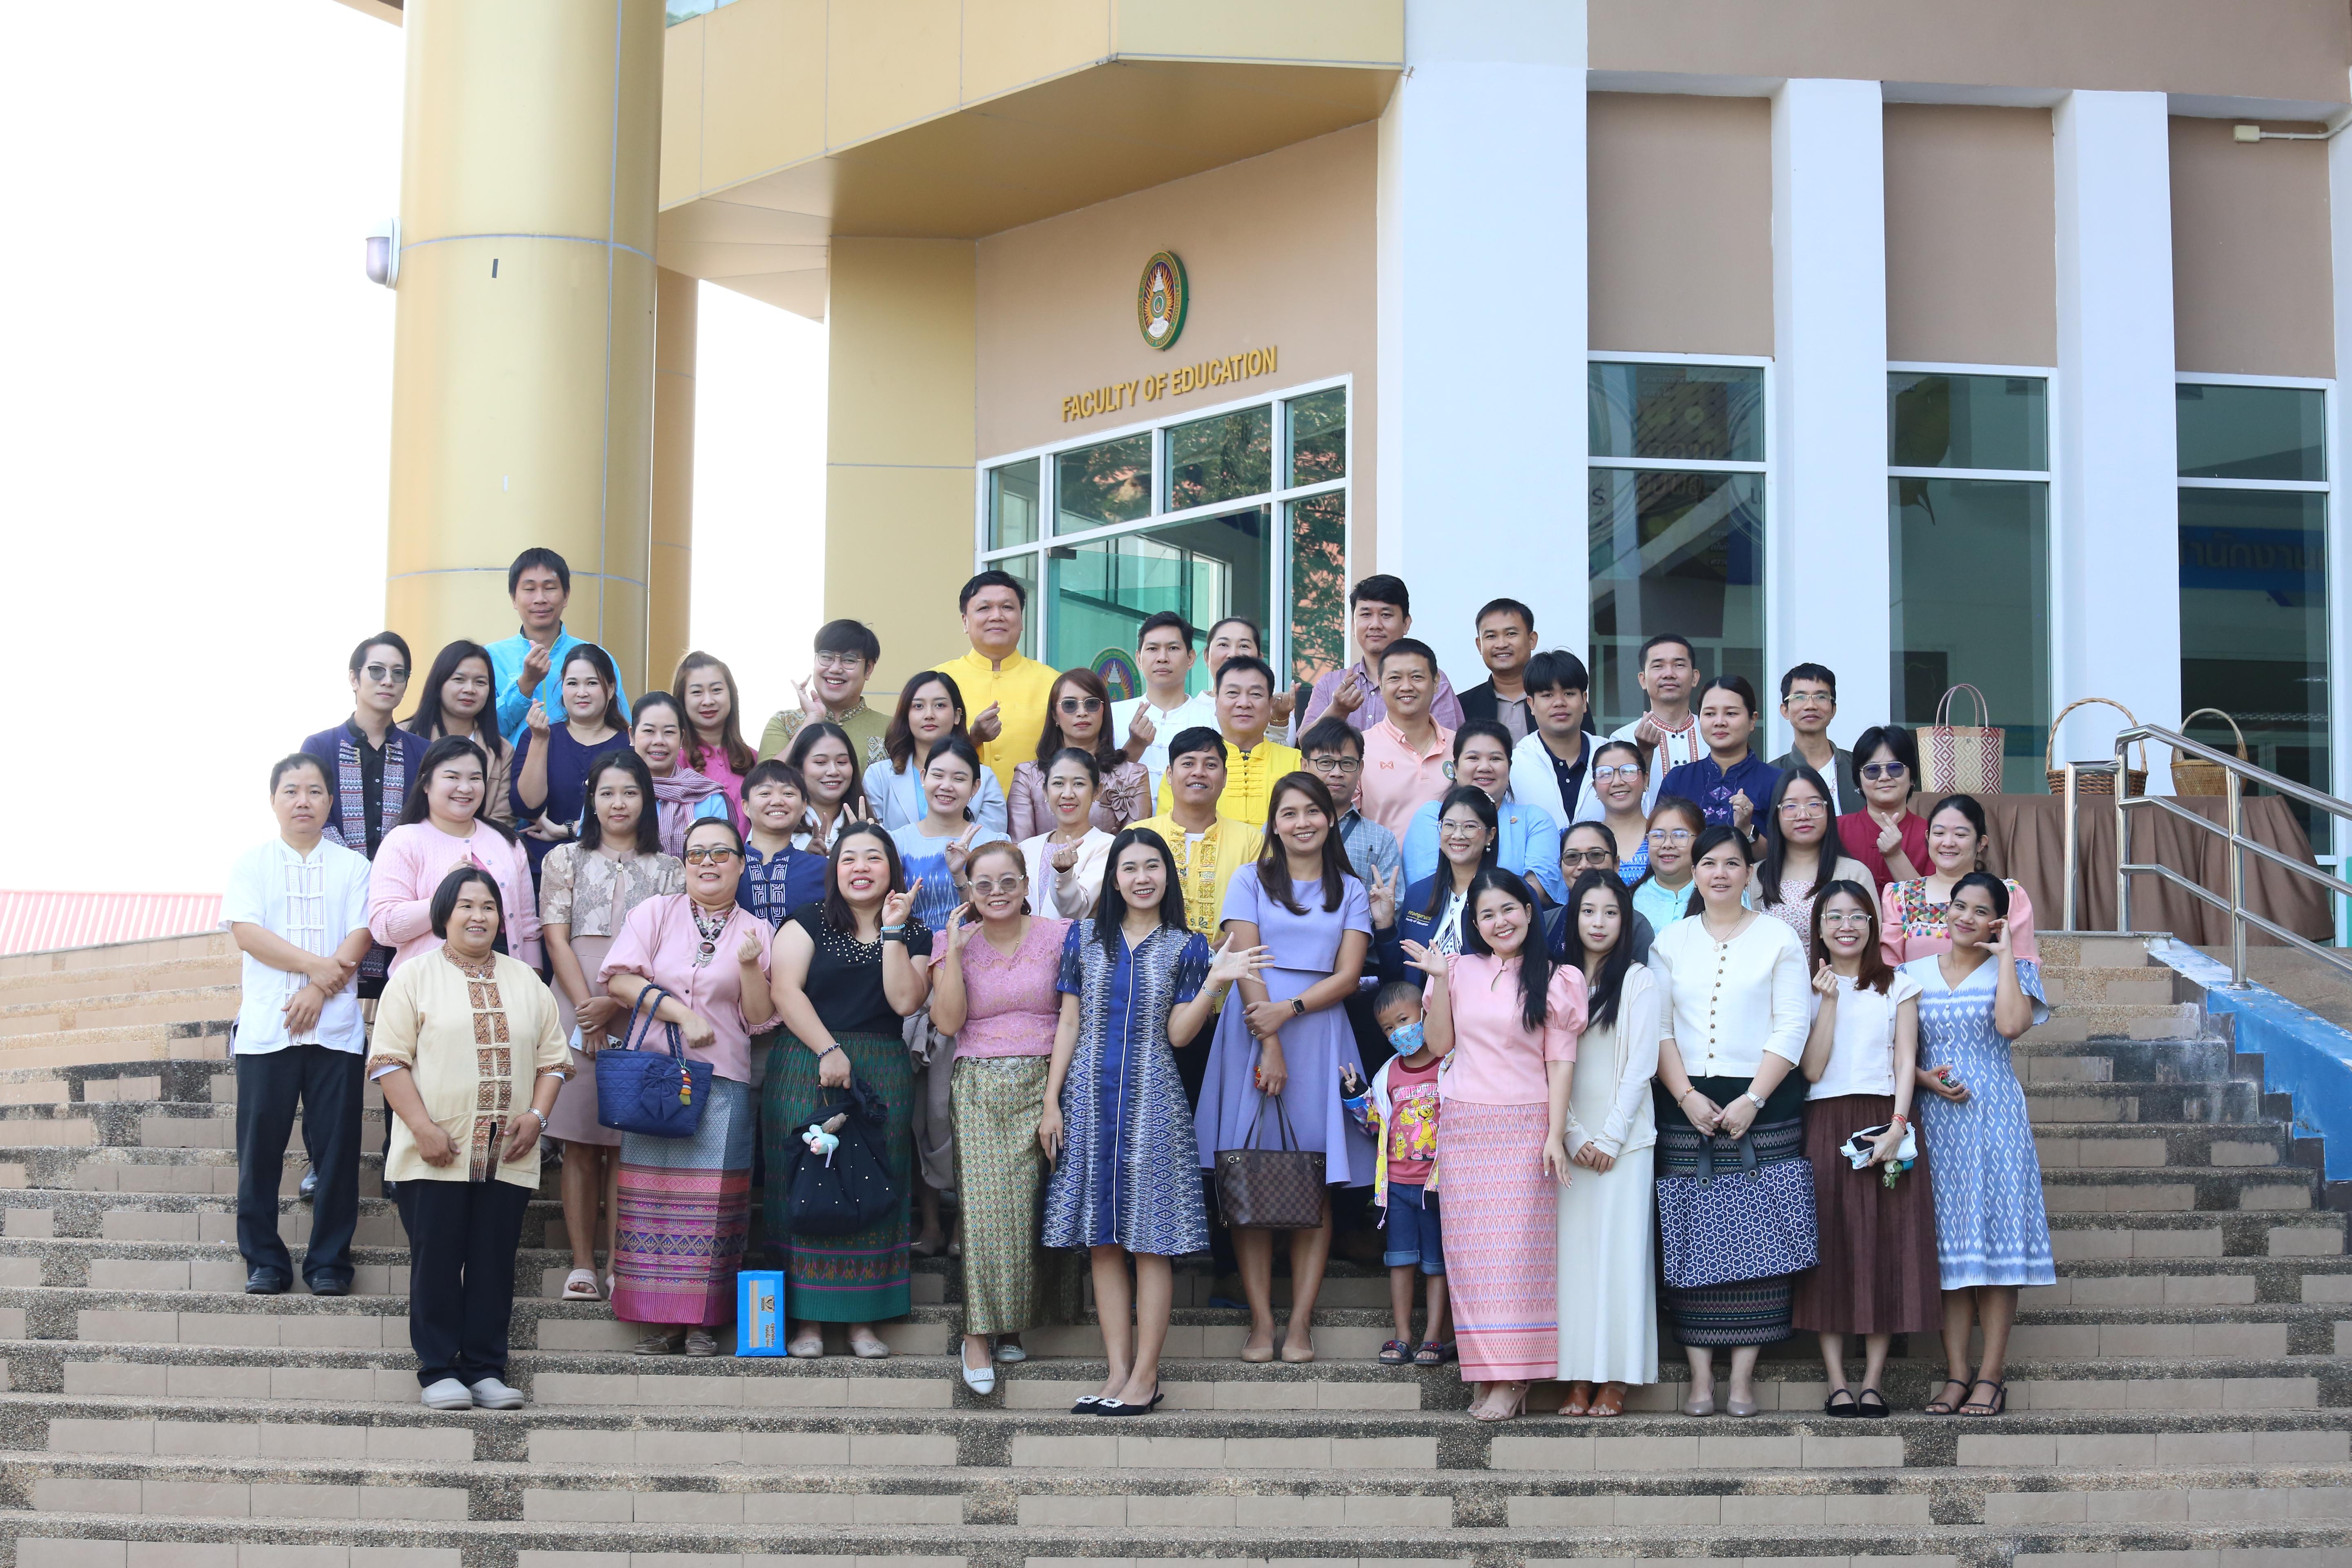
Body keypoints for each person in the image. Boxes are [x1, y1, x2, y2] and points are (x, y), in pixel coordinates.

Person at [1040, 829, 1267, 1414]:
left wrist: (1216, 982)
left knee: (1151, 1243)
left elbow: (1180, 1035)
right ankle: (1116, 1374)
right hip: (1089, 1098)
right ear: (1113, 877)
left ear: (1168, 877)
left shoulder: (1188, 947)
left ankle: (1146, 1375)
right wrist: (1050, 1101)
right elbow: (1068, 1023)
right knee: (1102, 1243)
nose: (1143, 877)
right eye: (1131, 867)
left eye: (1153, 867)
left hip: (1153, 1104)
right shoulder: (1083, 936)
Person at [368, 867, 569, 1410]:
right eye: (465, 906)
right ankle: (438, 1371)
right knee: (436, 1259)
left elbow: (554, 1061)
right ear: (443, 915)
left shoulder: (527, 979)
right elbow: (388, 1063)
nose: (478, 916)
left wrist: (537, 1116)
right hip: (435, 1151)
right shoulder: (412, 978)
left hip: (510, 1151)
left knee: (492, 1261)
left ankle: (484, 1369)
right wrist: (423, 1129)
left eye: (487, 906)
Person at [1194, 773, 1375, 1364]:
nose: (1302, 822)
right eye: (1290, 813)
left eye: (1313, 811)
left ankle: (1299, 1322)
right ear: (1275, 823)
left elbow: (1349, 976)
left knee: (1313, 1180)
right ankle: (1260, 1323)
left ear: (1330, 818)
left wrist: (1290, 1010)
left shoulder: (1348, 888)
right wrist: (1268, 1036)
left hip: (1320, 1032)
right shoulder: (1250, 879)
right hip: (1252, 1029)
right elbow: (1244, 959)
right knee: (1250, 1173)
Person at [1397, 868, 1585, 1422]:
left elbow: (1560, 1061)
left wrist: (1555, 1134)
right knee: (1472, 1261)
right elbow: (1438, 1046)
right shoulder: (1457, 970)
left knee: (1516, 1258)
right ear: (1473, 923)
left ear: (1529, 912)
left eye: (1509, 909)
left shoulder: (1557, 977)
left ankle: (1515, 1378)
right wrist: (1438, 980)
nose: (1500, 921)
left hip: (1525, 1124)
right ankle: (1485, 1373)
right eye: (1487, 914)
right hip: (1466, 1126)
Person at [599, 817, 776, 1356]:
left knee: (715, 1203)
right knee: (652, 1202)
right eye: (697, 853)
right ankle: (660, 1319)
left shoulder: (758, 929)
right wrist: (680, 1014)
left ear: (742, 865)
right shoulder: (655, 913)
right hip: (656, 1078)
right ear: (683, 863)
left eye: (721, 853)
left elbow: (761, 1016)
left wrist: (748, 966)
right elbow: (620, 980)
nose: (707, 863)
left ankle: (702, 1322)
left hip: (723, 1079)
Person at [1648, 826, 1809, 1417]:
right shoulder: (1670, 941)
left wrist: (1755, 1099)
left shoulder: (1779, 938)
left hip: (1763, 1106)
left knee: (1761, 1245)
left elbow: (1792, 1025)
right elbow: (1659, 1029)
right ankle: (1699, 1380)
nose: (1720, 874)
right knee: (1692, 1243)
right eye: (1709, 863)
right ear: (1693, 872)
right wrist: (1686, 1095)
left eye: (1733, 864)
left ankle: (1742, 1379)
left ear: (1750, 873)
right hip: (1686, 1107)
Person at [766, 824, 932, 1358]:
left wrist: (892, 933)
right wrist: (825, 1049)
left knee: (873, 1187)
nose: (861, 867)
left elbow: (905, 1001)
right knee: (808, 1182)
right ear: (834, 870)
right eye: (849, 859)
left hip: (882, 1070)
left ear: (893, 871)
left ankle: (864, 1320)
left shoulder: (917, 932)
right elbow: (783, 991)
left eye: (874, 858)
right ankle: (808, 1322)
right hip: (805, 1067)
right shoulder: (808, 920)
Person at [926, 841, 1080, 1393]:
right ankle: (977, 1335)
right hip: (980, 1087)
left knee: (1039, 1209)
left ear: (1025, 884)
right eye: (983, 884)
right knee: (988, 1214)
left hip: (1048, 1078)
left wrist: (1053, 1099)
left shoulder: (1060, 937)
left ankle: (1015, 1323)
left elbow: (1070, 1019)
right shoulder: (952, 941)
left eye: (1008, 882)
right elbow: (948, 1023)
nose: (996, 893)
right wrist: (955, 953)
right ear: (967, 889)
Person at [1902, 871, 2054, 1418]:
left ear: (1998, 918)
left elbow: (2012, 1026)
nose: (1964, 918)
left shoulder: (2015, 971)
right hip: (1935, 1119)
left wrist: (2008, 954)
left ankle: (1991, 1375)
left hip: (1994, 1115)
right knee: (1951, 1250)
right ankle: (1956, 1375)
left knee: (1993, 1245)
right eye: (1957, 906)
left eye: (1978, 910)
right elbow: (1892, 1049)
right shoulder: (1911, 973)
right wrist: (1922, 1079)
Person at [225, 754, 374, 1297]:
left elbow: (361, 935)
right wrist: (314, 967)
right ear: (274, 801)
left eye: (315, 791)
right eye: (292, 791)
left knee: (336, 1154)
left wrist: (318, 990)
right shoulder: (252, 864)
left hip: (335, 1031)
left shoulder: (353, 867)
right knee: (260, 1151)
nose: (304, 800)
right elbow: (247, 933)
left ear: (330, 802)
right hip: (269, 1031)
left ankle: (330, 1261)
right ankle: (264, 1260)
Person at [538, 751, 684, 1303]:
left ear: (646, 800)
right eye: (606, 793)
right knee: (578, 1141)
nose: (617, 803)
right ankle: (582, 1264)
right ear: (591, 800)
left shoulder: (670, 868)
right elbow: (555, 936)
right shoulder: (564, 860)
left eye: (629, 792)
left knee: (627, 1142)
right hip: (572, 1004)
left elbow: (669, 950)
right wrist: (587, 1008)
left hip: (641, 1008)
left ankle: (623, 1262)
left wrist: (620, 1008)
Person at [1794, 882, 1939, 1418]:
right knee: (1830, 1247)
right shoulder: (1806, 987)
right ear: (1820, 928)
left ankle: (1874, 1381)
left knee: (1884, 1246)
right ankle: (1837, 1382)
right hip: (1826, 1118)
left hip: (1885, 1120)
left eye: (1858, 916)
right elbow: (1812, 1069)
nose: (1847, 926)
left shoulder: (1898, 985)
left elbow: (1906, 1059)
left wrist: (1899, 1125)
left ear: (1874, 925)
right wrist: (1829, 1000)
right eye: (1835, 917)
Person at [1554, 870, 1661, 1418]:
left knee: (1621, 1262)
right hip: (1568, 1145)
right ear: (1574, 918)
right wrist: (1572, 1134)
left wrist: (1610, 1138)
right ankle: (1576, 1377)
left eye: (1611, 912)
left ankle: (1617, 1378)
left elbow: (1642, 1067)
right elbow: (1545, 1063)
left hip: (1627, 1144)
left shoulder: (1640, 980)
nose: (1599, 922)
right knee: (1573, 1265)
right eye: (1589, 911)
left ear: (1626, 920)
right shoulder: (1555, 978)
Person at [301, 634, 429, 999]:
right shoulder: (320, 746)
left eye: (398, 673)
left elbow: (428, 823)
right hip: (337, 894)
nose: (388, 680)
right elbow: (313, 820)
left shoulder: (422, 753)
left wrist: (390, 873)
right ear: (354, 679)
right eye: (376, 671)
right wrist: (363, 872)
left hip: (403, 898)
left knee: (404, 996)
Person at [369, 737, 540, 973]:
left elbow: (528, 927)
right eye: (452, 777)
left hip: (503, 980)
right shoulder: (404, 840)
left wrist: (532, 979)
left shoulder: (507, 842)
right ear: (426, 784)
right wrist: (444, 897)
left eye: (475, 778)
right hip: (428, 983)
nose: (466, 788)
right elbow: (384, 928)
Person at [1350, 981, 1452, 1368]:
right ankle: (1404, 1335)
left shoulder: (1450, 1063)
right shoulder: (1387, 1074)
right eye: (1389, 1028)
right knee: (1400, 1260)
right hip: (1397, 1188)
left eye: (1405, 1020)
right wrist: (1357, 1099)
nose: (1399, 1033)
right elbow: (1376, 1127)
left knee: (1437, 1263)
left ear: (1426, 1013)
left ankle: (1433, 1337)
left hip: (1437, 1187)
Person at [1403, 721, 1565, 903]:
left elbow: (1537, 889)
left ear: (1510, 768)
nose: (1485, 767)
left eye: (1495, 759)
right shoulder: (1433, 816)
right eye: (1473, 758)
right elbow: (1426, 886)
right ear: (1455, 768)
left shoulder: (1535, 820)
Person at [1130, 728, 1265, 944]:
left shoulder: (1251, 842)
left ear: (1224, 777)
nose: (1199, 772)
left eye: (1211, 765)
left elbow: (1264, 914)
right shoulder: (1138, 836)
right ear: (1169, 774)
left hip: (1228, 971)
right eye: (1188, 763)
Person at [487, 547, 631, 746]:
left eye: (550, 588)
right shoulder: (490, 658)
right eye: (529, 589)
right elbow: (482, 732)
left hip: (585, 772)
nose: (540, 599)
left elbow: (621, 726)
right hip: (511, 775)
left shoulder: (596, 657)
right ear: (513, 598)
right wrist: (525, 685)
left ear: (566, 596)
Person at [510, 642, 630, 881]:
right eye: (573, 683)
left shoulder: (629, 744)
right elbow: (527, 806)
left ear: (611, 688)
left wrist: (569, 828)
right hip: (543, 871)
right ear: (562, 688)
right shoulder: (538, 734)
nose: (581, 693)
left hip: (613, 871)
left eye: (592, 683)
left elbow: (633, 812)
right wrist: (540, 740)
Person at [1881, 795, 2040, 967]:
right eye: (1939, 833)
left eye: (1960, 834)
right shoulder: (1900, 895)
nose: (1948, 843)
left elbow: (2024, 967)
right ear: (1928, 838)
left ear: (1981, 843)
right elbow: (1888, 968)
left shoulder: (2007, 894)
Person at [944, 570, 1059, 794]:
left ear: (1022, 620)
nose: (997, 616)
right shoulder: (938, 682)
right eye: (984, 608)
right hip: (955, 813)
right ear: (965, 622)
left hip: (1037, 816)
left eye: (1007, 607)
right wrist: (972, 739)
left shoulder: (1055, 683)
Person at [1302, 575, 1465, 733]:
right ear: (1353, 625)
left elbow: (1450, 748)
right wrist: (1337, 710)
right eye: (1366, 615)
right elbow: (1305, 743)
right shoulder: (1331, 684)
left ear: (1406, 624)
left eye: (1386, 615)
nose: (1375, 625)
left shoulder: (1430, 681)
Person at [1153, 655, 1302, 826]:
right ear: (1216, 703)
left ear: (1270, 705)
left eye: (1255, 694)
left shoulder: (1297, 763)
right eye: (1233, 693)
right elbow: (1167, 831)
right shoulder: (1189, 767)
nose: (1244, 703)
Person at [1010, 667, 1151, 839]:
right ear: (1055, 715)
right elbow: (1021, 849)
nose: (1082, 713)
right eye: (1070, 705)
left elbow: (1134, 850)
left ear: (1104, 710)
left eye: (1092, 704)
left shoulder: (1134, 775)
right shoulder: (1027, 776)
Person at [865, 669, 1010, 834]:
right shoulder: (879, 776)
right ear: (907, 716)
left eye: (940, 705)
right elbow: (875, 840)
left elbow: (990, 846)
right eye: (918, 706)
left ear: (957, 716)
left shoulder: (985, 779)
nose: (929, 715)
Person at [1753, 765, 1873, 940]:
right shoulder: (1757, 876)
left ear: (1828, 810)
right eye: (1791, 806)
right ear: (1776, 814)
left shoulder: (1854, 874)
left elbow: (1872, 943)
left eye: (1814, 804)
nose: (1803, 815)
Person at [407, 640, 516, 826]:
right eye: (459, 680)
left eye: (480, 682)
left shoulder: (502, 752)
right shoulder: (406, 737)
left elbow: (503, 821)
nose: (470, 689)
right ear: (439, 683)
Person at [1109, 611, 1217, 796]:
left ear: (1191, 658)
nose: (1162, 658)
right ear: (1138, 659)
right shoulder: (1111, 715)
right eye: (1152, 649)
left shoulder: (1214, 717)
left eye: (1173, 648)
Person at [759, 619, 893, 767]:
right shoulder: (783, 722)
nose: (835, 669)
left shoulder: (893, 729)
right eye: (827, 657)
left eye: (849, 660)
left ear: (868, 670)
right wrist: (811, 721)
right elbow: (765, 782)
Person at [1357, 640, 1455, 840]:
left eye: (1417, 677)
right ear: (1381, 684)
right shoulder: (1360, 748)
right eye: (1395, 678)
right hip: (1382, 870)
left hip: (1451, 871)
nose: (1407, 687)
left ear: (1436, 682)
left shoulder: (1460, 747)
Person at [1658, 675, 1779, 837]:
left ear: (1752, 721)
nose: (1720, 722)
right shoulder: (1678, 779)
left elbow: (1785, 852)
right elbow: (1659, 839)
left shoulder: (1777, 782)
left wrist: (1746, 830)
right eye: (1710, 714)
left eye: (1731, 713)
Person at [1299, 719, 1403, 890]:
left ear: (1360, 768)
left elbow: (1393, 902)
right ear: (1305, 765)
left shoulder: (1381, 840)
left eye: (1347, 763)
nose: (1337, 773)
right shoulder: (1283, 829)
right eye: (1326, 762)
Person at [629, 690, 731, 856]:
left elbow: (721, 860)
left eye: (669, 732)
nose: (659, 741)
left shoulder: (709, 799)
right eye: (649, 731)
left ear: (682, 738)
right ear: (632, 735)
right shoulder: (611, 793)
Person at [1020, 747, 1116, 918]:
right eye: (1058, 784)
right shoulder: (1027, 847)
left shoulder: (1107, 846)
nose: (1068, 794)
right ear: (1045, 792)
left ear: (1097, 792)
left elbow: (1077, 910)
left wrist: (1064, 874)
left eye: (1079, 784)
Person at [1508, 650, 1595, 829]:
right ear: (1531, 704)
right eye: (1548, 695)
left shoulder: (1610, 758)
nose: (1559, 703)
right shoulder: (1513, 765)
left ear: (1584, 700)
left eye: (1569, 693)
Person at [1546, 823, 1653, 966]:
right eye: (1572, 857)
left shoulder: (1637, 925)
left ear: (1616, 864)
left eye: (1596, 855)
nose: (1584, 865)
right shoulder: (1545, 922)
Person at [1611, 634, 1705, 797]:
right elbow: (1619, 803)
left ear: (1695, 677)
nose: (1669, 674)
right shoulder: (1622, 739)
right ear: (1643, 680)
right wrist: (1643, 753)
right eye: (1658, 666)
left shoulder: (1712, 733)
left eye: (1679, 665)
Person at [1837, 726, 1929, 891]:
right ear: (1859, 782)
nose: (1885, 777)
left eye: (1895, 768)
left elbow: (1933, 906)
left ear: (1912, 778)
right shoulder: (1837, 830)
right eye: (1872, 770)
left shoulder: (1932, 834)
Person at [738, 759, 828, 927]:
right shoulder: (728, 865)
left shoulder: (823, 869)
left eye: (788, 794)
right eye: (765, 793)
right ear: (746, 807)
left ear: (803, 807)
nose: (778, 801)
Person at [676, 651, 758, 826]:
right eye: (697, 692)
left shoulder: (753, 759)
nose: (708, 701)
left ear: (731, 695)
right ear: (682, 700)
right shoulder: (674, 762)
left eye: (716, 690)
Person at [1771, 664, 1860, 813]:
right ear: (1785, 710)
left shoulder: (1860, 768)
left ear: (1833, 709)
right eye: (1800, 697)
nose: (1811, 706)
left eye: (1821, 697)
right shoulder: (1773, 774)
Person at [1203, 617, 1298, 741]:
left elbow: (1278, 757)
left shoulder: (1276, 710)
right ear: (1206, 657)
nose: (1233, 654)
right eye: (1223, 645)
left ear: (1259, 658)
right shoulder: (1189, 710)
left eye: (1244, 646)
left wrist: (1279, 719)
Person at [784, 721, 873, 853]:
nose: (833, 771)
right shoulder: (779, 824)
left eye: (842, 762)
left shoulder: (870, 827)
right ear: (799, 769)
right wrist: (804, 861)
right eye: (821, 762)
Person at [1458, 597, 1538, 741]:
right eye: (1491, 636)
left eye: (1511, 634)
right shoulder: (1462, 706)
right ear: (1480, 645)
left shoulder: (1559, 700)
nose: (1501, 644)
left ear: (1532, 640)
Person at [1631, 796, 1712, 936]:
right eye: (1657, 835)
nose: (1667, 844)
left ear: (1700, 840)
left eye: (1680, 835)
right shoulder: (1630, 900)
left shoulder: (1720, 894)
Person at [1580, 740, 1653, 881]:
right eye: (1605, 774)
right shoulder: (1580, 839)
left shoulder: (1665, 837)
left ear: (1645, 779)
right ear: (1595, 786)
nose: (1617, 782)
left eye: (1628, 771)